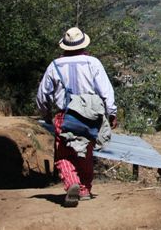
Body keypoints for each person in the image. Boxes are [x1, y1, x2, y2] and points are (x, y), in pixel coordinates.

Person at [37, 27, 117, 207]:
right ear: (83, 45)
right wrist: (111, 113)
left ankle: (71, 182)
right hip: (90, 116)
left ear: (65, 46)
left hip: (65, 116)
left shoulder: (55, 66)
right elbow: (106, 91)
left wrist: (46, 114)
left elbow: (43, 95)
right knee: (85, 154)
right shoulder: (93, 63)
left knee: (63, 154)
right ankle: (84, 190)